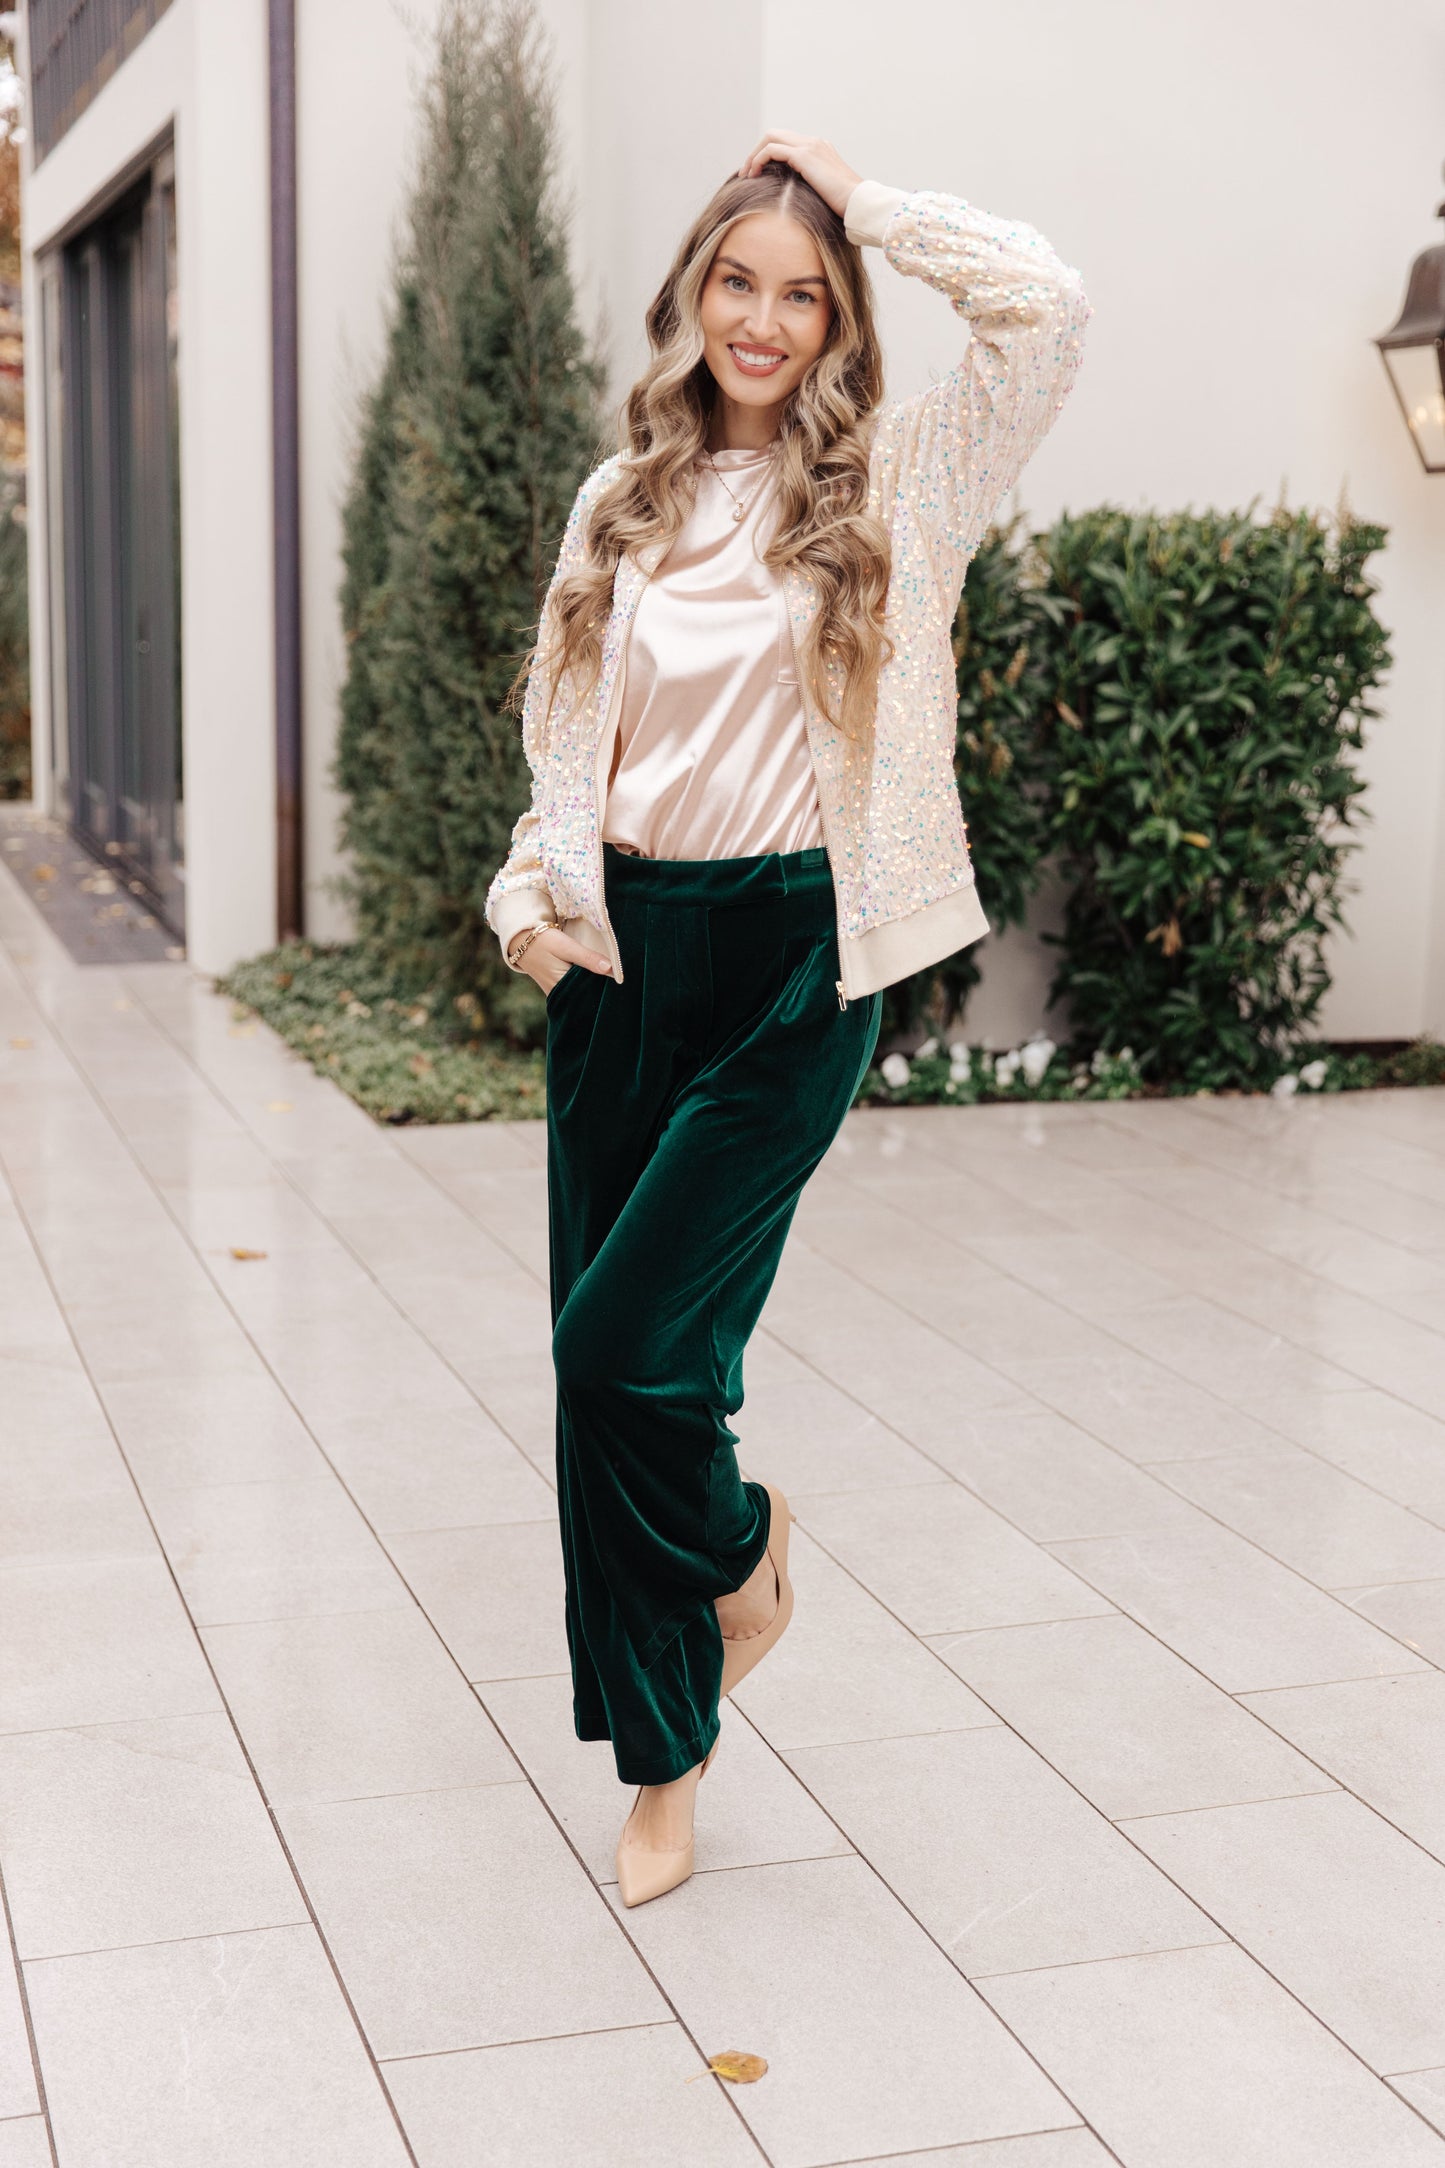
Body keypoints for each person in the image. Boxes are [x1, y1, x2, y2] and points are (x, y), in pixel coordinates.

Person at [485, 129, 1090, 1906]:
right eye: (736, 281)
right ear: (692, 294)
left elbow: (1044, 309)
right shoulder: (620, 503)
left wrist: (866, 198)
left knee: (625, 1349)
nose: (760, 319)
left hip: (793, 965)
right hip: (619, 965)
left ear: (837, 323)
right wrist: (529, 915)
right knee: (615, 1379)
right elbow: (566, 752)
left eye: (801, 294)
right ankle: (663, 1761)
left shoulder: (900, 479)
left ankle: (739, 1565)